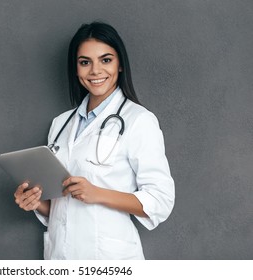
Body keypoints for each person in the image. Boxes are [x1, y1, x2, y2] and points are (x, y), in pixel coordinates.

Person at [14, 22, 175, 260]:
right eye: (85, 62)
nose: (95, 71)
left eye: (106, 60)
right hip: (61, 256)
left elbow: (160, 201)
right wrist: (35, 202)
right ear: (76, 68)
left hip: (109, 258)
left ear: (120, 65)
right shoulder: (61, 124)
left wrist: (97, 193)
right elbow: (63, 209)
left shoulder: (139, 120)